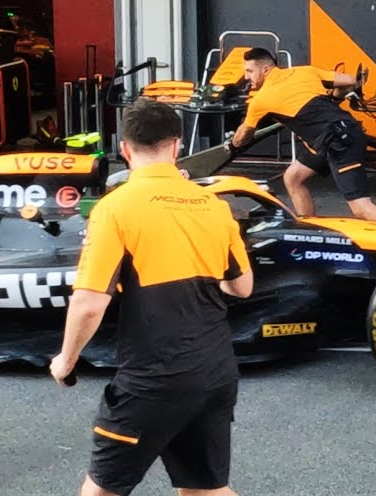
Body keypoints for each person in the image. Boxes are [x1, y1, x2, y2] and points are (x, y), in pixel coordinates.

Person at [50, 99, 253, 496]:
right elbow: (241, 287)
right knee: (205, 488)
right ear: (177, 146)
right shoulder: (213, 205)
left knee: (102, 490)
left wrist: (65, 360)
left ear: (124, 149)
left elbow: (90, 303)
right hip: (214, 372)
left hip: (153, 379)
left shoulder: (115, 209)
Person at [228, 48, 376, 225]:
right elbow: (350, 81)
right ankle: (309, 228)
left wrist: (232, 146)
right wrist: (334, 97)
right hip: (334, 135)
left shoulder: (261, 100)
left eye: (250, 71)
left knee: (362, 208)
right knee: (293, 177)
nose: (246, 77)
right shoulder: (305, 71)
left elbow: (242, 137)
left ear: (266, 69)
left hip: (339, 141)